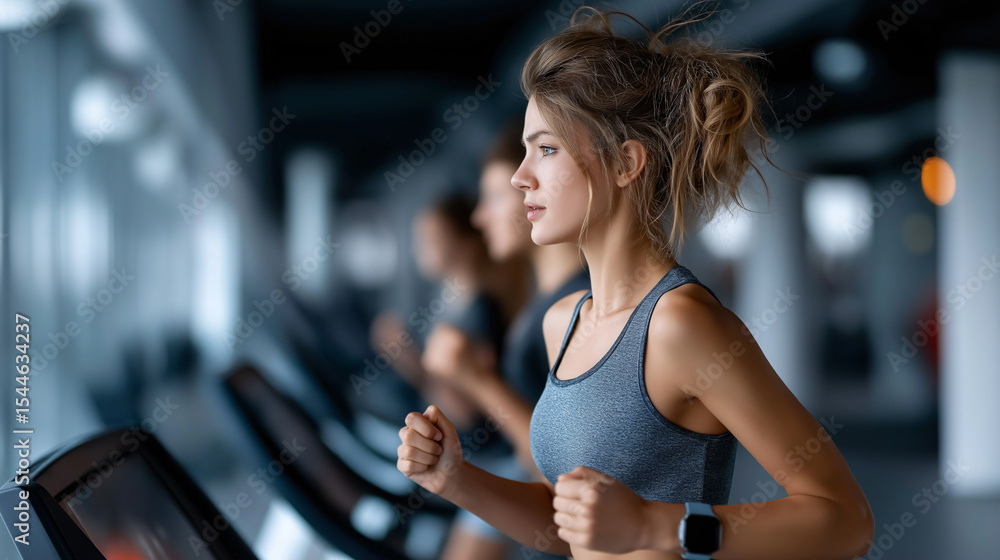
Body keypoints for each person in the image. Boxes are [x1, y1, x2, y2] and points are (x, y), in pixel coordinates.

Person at [397, 6, 874, 560]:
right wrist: (455, 480)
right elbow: (566, 528)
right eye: (525, 149)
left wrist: (653, 525)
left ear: (625, 163)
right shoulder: (565, 321)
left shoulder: (681, 324)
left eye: (546, 149)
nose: (518, 175)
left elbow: (844, 521)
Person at [419, 122, 590, 560]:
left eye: (493, 197)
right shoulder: (543, 300)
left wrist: (475, 379)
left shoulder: (575, 305)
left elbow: (558, 470)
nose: (479, 216)